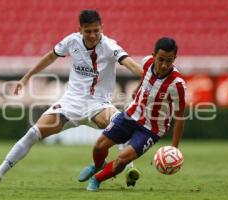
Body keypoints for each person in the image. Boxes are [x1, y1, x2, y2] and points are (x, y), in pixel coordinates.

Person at [0, 10, 143, 189]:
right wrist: (26, 77)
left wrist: (144, 79)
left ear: (102, 28)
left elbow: (130, 63)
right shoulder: (72, 41)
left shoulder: (110, 46)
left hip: (99, 104)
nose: (93, 35)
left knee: (122, 124)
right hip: (70, 104)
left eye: (96, 30)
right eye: (88, 31)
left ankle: (128, 171)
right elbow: (50, 57)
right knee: (33, 133)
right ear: (80, 30)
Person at [79, 37, 186, 191]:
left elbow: (180, 115)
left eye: (169, 61)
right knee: (98, 147)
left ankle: (96, 180)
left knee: (122, 159)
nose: (164, 65)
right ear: (153, 55)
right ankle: (97, 166)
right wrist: (138, 89)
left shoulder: (177, 84)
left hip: (151, 129)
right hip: (131, 115)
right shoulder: (147, 62)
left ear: (174, 59)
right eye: (161, 59)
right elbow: (145, 78)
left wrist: (174, 148)